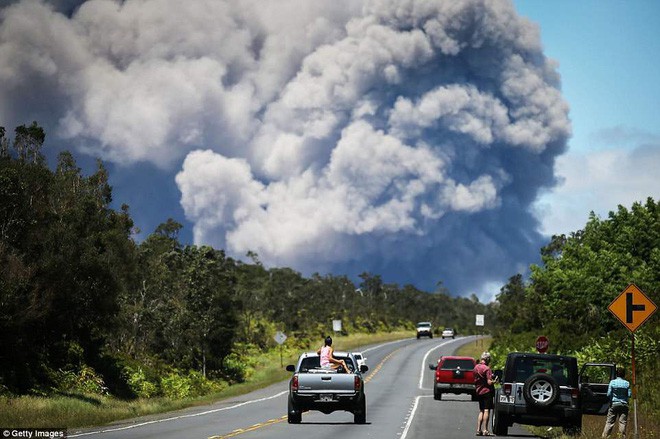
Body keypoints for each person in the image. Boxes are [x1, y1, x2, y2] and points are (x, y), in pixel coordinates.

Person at [602, 367, 631, 438]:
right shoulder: (627, 383)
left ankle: (605, 437)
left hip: (614, 404)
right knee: (622, 423)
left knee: (609, 422)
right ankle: (621, 437)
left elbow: (608, 394)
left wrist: (612, 398)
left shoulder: (612, 382)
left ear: (616, 374)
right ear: (624, 374)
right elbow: (629, 395)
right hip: (624, 405)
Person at [474, 351, 497, 436]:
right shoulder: (487, 369)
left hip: (478, 391)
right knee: (487, 410)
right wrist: (494, 381)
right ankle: (485, 430)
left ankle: (478, 429)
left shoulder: (476, 367)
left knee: (481, 411)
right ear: (487, 359)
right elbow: (489, 382)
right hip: (487, 392)